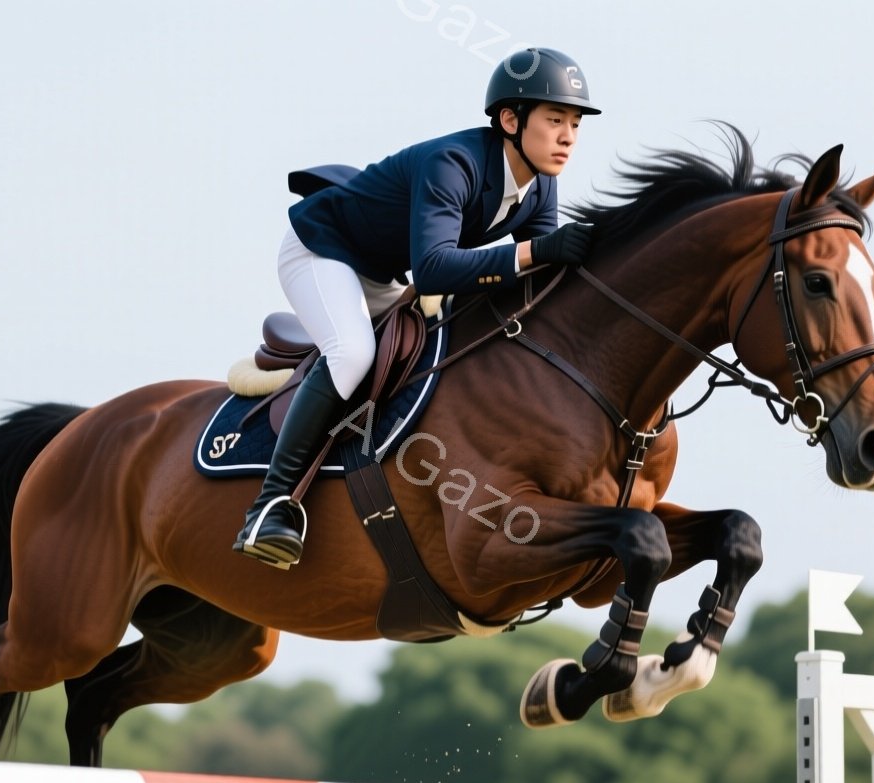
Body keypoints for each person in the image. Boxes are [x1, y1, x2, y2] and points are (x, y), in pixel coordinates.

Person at [233, 47, 601, 568]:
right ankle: (269, 505)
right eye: (555, 119)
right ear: (510, 119)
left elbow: (533, 282)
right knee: (353, 353)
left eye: (576, 124)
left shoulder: (540, 186)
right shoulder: (454, 164)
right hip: (321, 248)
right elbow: (431, 269)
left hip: (379, 272)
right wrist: (537, 251)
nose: (568, 136)